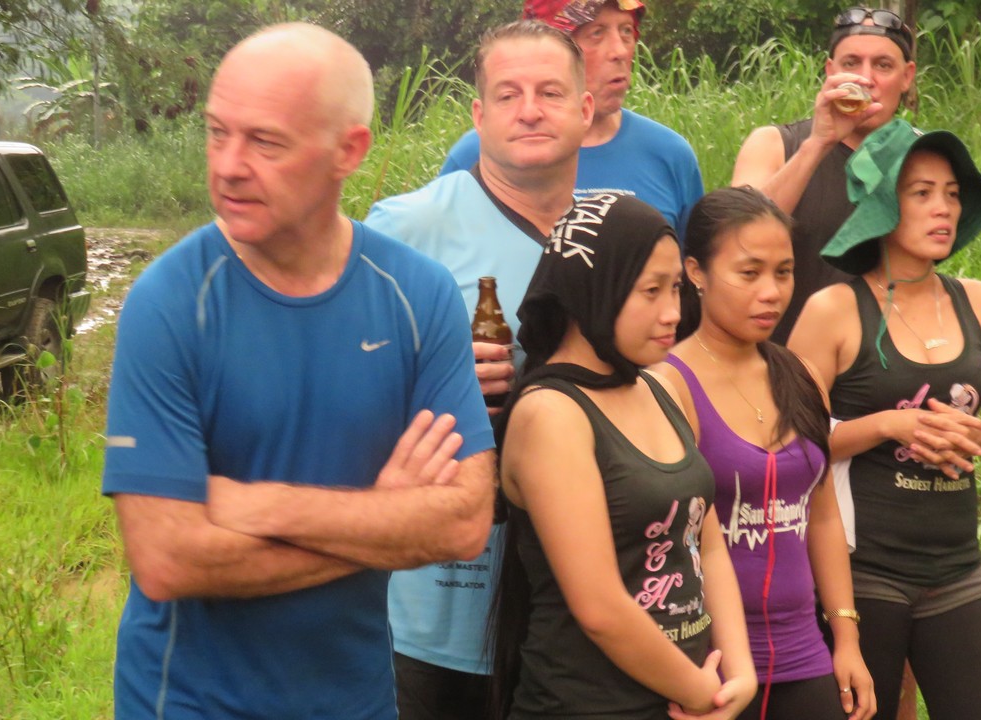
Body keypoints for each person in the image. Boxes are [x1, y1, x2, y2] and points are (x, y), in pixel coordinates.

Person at [100, 23, 495, 719]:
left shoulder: (417, 296)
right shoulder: (170, 303)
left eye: (265, 141)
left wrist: (259, 506)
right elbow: (166, 559)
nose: (228, 165)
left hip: (357, 699)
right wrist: (386, 521)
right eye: (217, 133)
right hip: (189, 703)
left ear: (349, 150)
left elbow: (463, 523)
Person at [364, 20, 591, 720]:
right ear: (479, 114)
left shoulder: (612, 239)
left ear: (586, 109)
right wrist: (434, 369)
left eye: (551, 92)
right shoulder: (405, 229)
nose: (530, 110)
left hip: (575, 603)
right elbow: (333, 386)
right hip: (432, 607)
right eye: (509, 94)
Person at [788, 119, 981, 720]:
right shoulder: (833, 310)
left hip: (957, 565)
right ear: (882, 205)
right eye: (922, 193)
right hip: (863, 568)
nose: (943, 208)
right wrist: (890, 426)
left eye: (952, 194)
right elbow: (789, 445)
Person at [493, 193, 755, 719]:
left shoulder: (661, 388)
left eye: (676, 287)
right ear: (594, 288)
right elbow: (600, 608)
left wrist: (740, 674)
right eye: (650, 291)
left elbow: (705, 540)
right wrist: (698, 693)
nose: (673, 312)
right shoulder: (552, 415)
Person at [652, 186, 876, 720]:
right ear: (696, 272)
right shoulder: (667, 384)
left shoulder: (802, 378)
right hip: (710, 662)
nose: (771, 292)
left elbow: (822, 515)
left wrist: (845, 637)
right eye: (749, 273)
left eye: (784, 272)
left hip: (804, 653)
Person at [732, 6, 916, 344]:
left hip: (884, 362)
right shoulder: (775, 144)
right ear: (830, 72)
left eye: (883, 65)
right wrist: (818, 144)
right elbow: (736, 240)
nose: (866, 79)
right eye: (851, 64)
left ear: (907, 77)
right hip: (781, 358)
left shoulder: (924, 158)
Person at [440, 0, 704, 235]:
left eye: (626, 31)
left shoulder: (669, 155)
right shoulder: (478, 153)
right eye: (597, 33)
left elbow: (693, 270)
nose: (620, 51)